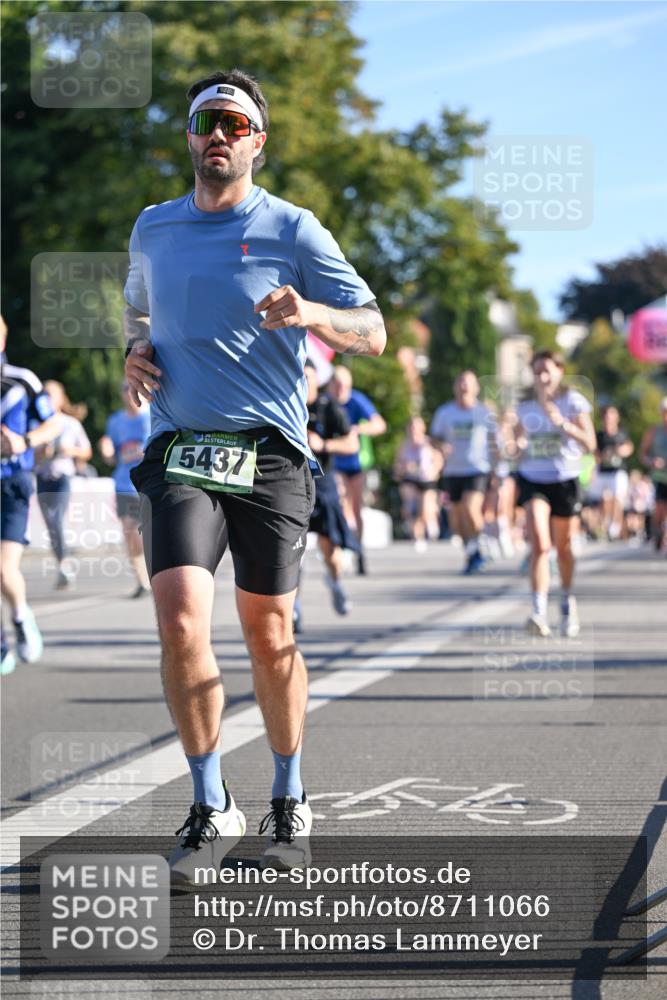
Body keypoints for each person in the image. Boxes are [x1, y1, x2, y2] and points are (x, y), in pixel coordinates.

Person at [123, 69, 386, 882]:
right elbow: (139, 311)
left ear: (257, 142)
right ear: (191, 134)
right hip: (181, 448)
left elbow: (372, 331)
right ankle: (209, 801)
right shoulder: (153, 228)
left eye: (235, 124)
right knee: (178, 620)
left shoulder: (295, 229)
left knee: (270, 636)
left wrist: (310, 314)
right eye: (207, 121)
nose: (220, 136)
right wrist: (133, 352)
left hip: (269, 453)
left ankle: (288, 795)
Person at [506, 350, 596, 638]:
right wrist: (516, 444)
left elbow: (590, 444)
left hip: (565, 480)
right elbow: (517, 447)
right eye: (536, 372)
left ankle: (567, 599)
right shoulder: (525, 406)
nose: (542, 377)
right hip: (534, 480)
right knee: (541, 545)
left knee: (565, 549)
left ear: (560, 370)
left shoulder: (573, 402)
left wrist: (562, 423)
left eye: (547, 370)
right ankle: (538, 610)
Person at [1, 316, 61, 675]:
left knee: (3, 568)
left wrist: (24, 442)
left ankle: (21, 617)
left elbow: (53, 424)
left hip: (12, 482)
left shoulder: (22, 380)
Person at [294, 362, 360, 631]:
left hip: (323, 484)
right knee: (292, 553)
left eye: (307, 377)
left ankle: (334, 581)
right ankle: (293, 609)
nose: (303, 382)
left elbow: (352, 443)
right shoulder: (286, 407)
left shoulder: (328, 407)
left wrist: (324, 444)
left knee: (331, 550)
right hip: (293, 485)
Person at [429, 370, 495, 574]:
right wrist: (441, 445)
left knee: (470, 507)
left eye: (468, 383)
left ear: (476, 388)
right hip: (453, 470)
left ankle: (479, 544)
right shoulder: (445, 412)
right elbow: (434, 437)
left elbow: (494, 442)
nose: (464, 387)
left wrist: (497, 470)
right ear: (455, 387)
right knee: (457, 519)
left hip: (477, 468)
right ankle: (472, 553)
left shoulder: (484, 412)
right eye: (460, 382)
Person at [329, 365, 386, 574]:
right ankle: (345, 546)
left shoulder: (357, 400)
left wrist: (360, 429)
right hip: (335, 462)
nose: (341, 389)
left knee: (356, 508)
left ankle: (359, 549)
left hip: (356, 463)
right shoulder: (326, 402)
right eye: (337, 385)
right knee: (342, 502)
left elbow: (380, 424)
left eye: (345, 385)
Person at [34, 381, 92, 588]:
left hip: (62, 478)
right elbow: (26, 452)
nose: (48, 398)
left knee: (55, 517)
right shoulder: (36, 423)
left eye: (51, 394)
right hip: (42, 477)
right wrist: (39, 453)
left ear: (60, 398)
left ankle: (64, 565)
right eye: (45, 395)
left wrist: (71, 451)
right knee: (50, 525)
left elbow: (86, 451)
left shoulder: (70, 424)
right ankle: (62, 564)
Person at [97, 383, 151, 598]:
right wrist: (106, 448)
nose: (130, 394)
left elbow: (149, 448)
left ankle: (159, 573)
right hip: (124, 483)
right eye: (126, 389)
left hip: (150, 482)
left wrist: (133, 454)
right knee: (130, 533)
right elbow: (111, 449)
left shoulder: (152, 416)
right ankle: (142, 581)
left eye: (134, 388)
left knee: (151, 533)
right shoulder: (116, 421)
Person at [393, 416, 443, 551]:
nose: (414, 430)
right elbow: (397, 465)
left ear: (423, 428)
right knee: (410, 508)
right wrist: (403, 469)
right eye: (411, 427)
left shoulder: (429, 443)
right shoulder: (404, 445)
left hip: (426, 479)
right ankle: (417, 536)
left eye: (416, 427)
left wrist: (434, 472)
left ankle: (430, 520)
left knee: (425, 509)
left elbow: (438, 460)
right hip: (410, 479)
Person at [590, 405, 633, 540]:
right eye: (606, 415)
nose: (609, 418)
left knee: (617, 498)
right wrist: (602, 456)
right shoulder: (599, 435)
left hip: (618, 471)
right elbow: (594, 453)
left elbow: (629, 447)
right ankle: (606, 524)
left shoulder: (622, 433)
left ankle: (615, 526)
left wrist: (620, 451)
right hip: (603, 471)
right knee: (604, 499)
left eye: (611, 414)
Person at [639, 397, 667, 552]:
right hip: (659, 476)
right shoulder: (654, 431)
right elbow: (642, 454)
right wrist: (651, 462)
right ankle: (658, 533)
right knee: (660, 509)